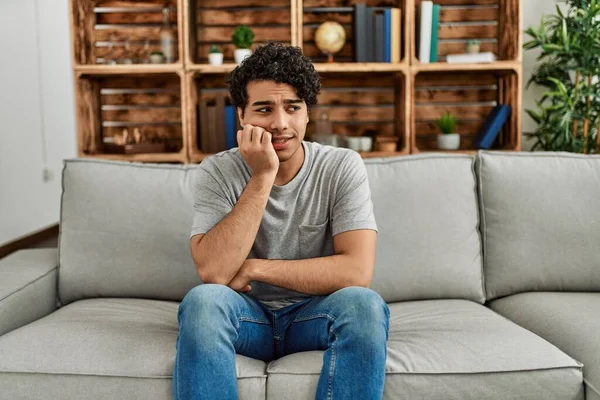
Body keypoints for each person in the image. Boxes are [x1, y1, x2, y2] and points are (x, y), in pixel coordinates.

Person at [173, 42, 390, 400]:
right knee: (202, 303)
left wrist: (257, 269)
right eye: (264, 109)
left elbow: (356, 272)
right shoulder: (218, 170)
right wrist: (262, 175)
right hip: (247, 318)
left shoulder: (341, 166)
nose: (280, 123)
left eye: (293, 108)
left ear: (307, 114)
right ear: (241, 115)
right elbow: (214, 272)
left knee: (364, 307)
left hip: (314, 316)